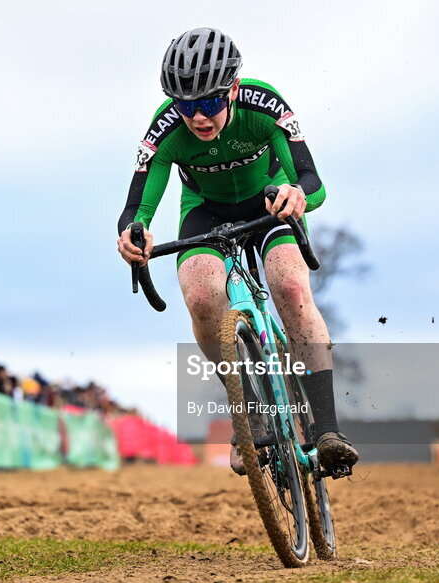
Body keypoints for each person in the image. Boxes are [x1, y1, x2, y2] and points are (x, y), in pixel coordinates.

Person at [115, 27, 358, 475]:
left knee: (290, 286)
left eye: (209, 103)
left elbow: (312, 181)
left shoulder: (264, 104)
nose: (198, 118)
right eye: (187, 106)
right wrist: (135, 232)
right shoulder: (166, 126)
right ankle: (246, 417)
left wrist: (296, 195)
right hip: (205, 213)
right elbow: (137, 206)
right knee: (202, 297)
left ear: (234, 88)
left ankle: (326, 428)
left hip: (266, 204)